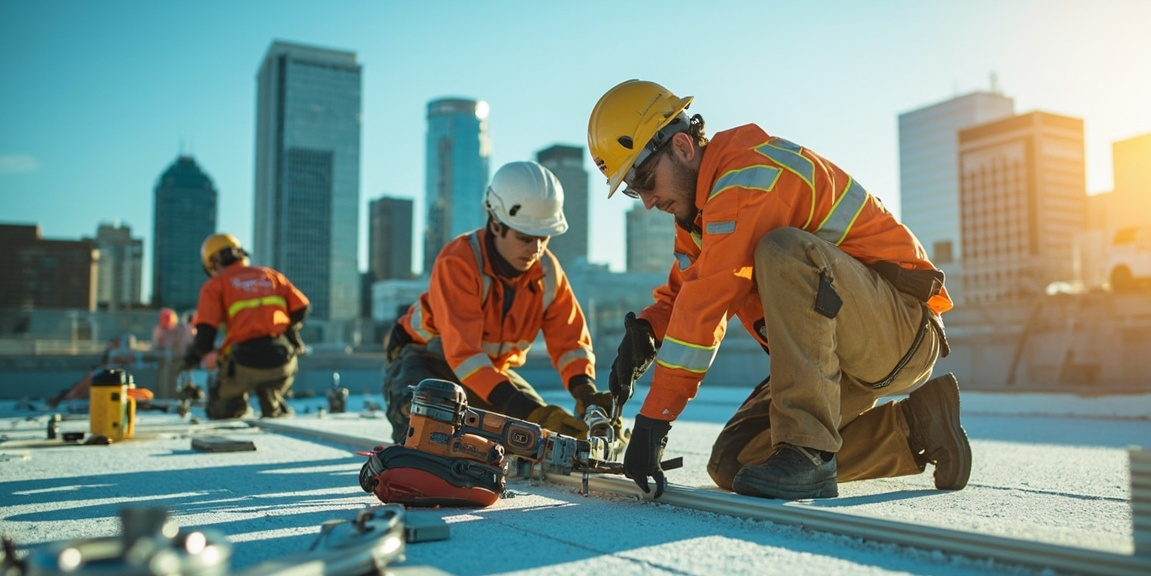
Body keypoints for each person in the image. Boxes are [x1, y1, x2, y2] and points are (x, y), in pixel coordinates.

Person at [587, 79, 972, 500]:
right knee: (735, 462)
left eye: (645, 178)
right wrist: (648, 329)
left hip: (899, 327)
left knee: (782, 250)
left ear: (681, 146)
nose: (645, 200)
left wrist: (655, 420)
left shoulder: (748, 180)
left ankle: (809, 453)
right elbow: (686, 292)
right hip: (838, 352)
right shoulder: (700, 219)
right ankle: (920, 427)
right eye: (632, 189)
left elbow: (705, 306)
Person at [383, 160, 612, 444]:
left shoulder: (548, 273)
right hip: (424, 361)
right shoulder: (459, 261)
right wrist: (528, 412)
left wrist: (585, 392)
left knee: (537, 439)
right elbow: (464, 356)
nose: (536, 249)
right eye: (525, 238)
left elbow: (570, 345)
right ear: (496, 223)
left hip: (488, 373)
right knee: (429, 438)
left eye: (544, 238)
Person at [182, 233, 309, 419]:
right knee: (276, 376)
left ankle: (236, 406)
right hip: (282, 361)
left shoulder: (215, 285)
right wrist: (287, 330)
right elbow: (302, 308)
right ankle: (271, 397)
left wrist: (190, 361)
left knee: (221, 408)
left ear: (214, 262)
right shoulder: (270, 275)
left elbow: (205, 338)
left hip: (244, 363)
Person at [151, 307, 193, 397]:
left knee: (179, 385)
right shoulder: (159, 330)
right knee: (166, 384)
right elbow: (156, 346)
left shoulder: (181, 330)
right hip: (165, 364)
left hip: (181, 363)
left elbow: (184, 346)